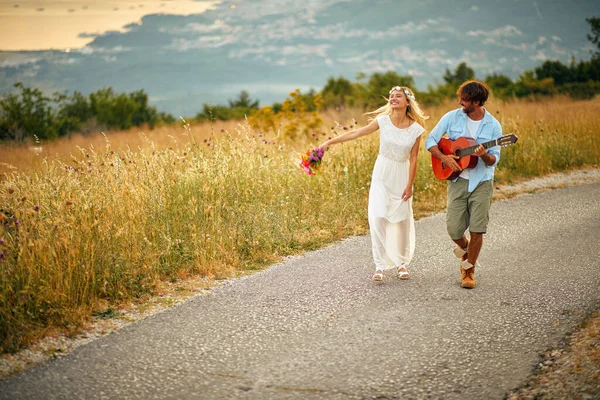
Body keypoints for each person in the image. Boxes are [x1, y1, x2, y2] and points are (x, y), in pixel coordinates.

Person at [320, 86, 428, 282]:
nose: (393, 99)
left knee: (401, 220)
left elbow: (413, 159)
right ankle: (379, 265)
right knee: (378, 217)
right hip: (381, 173)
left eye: (398, 96)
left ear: (407, 102)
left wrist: (409, 185)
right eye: (391, 96)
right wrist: (328, 143)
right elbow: (356, 133)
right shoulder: (382, 122)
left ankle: (401, 264)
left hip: (401, 175)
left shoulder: (415, 129)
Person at [425, 80, 502, 289]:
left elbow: (494, 159)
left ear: (477, 101)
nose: (461, 102)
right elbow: (430, 141)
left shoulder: (493, 126)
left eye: (465, 100)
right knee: (454, 230)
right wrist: (446, 158)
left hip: (482, 181)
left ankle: (468, 269)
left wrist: (485, 156)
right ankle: (466, 250)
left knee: (478, 230)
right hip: (457, 180)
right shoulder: (451, 117)